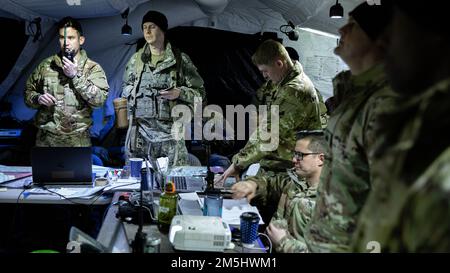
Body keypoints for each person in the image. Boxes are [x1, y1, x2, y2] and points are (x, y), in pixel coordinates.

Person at [352, 0, 450, 252]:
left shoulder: (440, 171)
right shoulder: (418, 127)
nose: (383, 42)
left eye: (397, 29)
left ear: (435, 38)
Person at [303, 0, 398, 252]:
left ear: (380, 40)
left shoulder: (387, 103)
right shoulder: (353, 95)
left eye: (353, 26)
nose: (341, 31)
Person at [217, 39, 322, 223]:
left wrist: (238, 163)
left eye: (265, 71)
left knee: (271, 225)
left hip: (290, 173)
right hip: (276, 168)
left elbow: (268, 137)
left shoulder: (294, 91)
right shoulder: (281, 81)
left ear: (279, 63)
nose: (265, 76)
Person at [122, 10, 205, 166]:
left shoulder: (180, 60)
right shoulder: (136, 61)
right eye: (144, 27)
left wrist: (179, 92)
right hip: (140, 137)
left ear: (162, 30)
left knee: (174, 184)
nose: (147, 31)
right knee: (139, 185)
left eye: (152, 26)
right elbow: (125, 88)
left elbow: (200, 95)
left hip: (171, 138)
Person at [24, 17, 109, 147]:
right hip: (46, 140)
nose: (66, 43)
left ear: (81, 40)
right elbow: (27, 93)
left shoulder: (92, 68)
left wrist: (75, 76)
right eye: (62, 38)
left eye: (71, 38)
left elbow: (99, 101)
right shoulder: (46, 65)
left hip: (77, 141)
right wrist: (38, 98)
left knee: (77, 168)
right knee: (45, 168)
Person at [263, 130, 326, 253]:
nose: (293, 159)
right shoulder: (294, 184)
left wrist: (283, 242)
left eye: (300, 155)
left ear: (321, 159)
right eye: (294, 154)